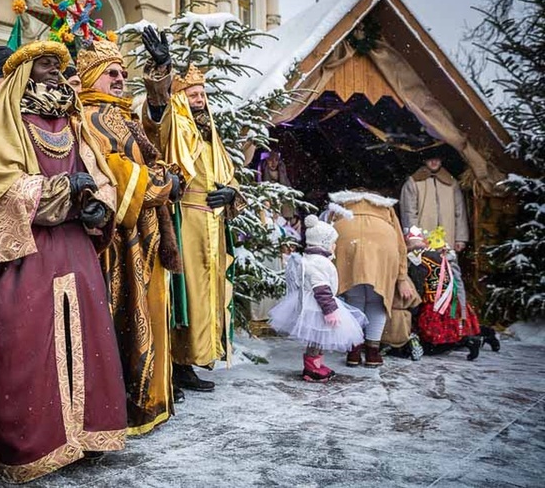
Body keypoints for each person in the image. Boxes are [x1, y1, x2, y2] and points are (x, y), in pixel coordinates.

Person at [0, 40, 126, 483]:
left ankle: (85, 433)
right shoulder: (1, 116)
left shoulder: (70, 118)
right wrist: (60, 189)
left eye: (58, 65)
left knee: (87, 336)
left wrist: (98, 203)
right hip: (24, 250)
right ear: (24, 70)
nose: (54, 71)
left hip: (74, 246)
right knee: (21, 342)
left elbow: (100, 174)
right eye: (46, 63)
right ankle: (34, 442)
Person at [76, 37, 182, 432]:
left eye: (123, 73)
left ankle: (152, 395)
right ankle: (126, 405)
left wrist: (158, 76)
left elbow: (155, 138)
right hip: (120, 240)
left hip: (148, 233)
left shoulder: (125, 115)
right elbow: (117, 172)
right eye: (111, 73)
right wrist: (164, 183)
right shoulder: (86, 117)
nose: (120, 79)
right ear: (90, 77)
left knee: (150, 314)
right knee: (124, 316)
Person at [142, 26, 246, 392]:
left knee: (206, 297)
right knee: (182, 297)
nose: (199, 99)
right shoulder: (176, 123)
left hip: (212, 229)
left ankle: (192, 361)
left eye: (203, 94)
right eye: (193, 94)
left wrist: (231, 195)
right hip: (184, 221)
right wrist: (162, 69)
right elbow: (157, 112)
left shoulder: (212, 134)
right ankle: (174, 364)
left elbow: (230, 177)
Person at [269, 216, 367, 382]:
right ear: (324, 243)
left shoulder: (314, 259)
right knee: (316, 338)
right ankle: (311, 368)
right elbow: (321, 288)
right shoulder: (318, 262)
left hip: (317, 305)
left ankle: (316, 364)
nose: (335, 246)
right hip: (318, 307)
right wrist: (330, 311)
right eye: (333, 242)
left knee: (318, 338)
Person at [328, 190, 414, 368]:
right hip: (381, 243)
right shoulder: (385, 206)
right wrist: (402, 277)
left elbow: (326, 230)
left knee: (354, 298)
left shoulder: (343, 204)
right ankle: (373, 352)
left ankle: (354, 349)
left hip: (346, 240)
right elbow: (400, 245)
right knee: (377, 300)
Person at [405, 226, 484, 360]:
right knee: (449, 331)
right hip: (448, 300)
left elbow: (418, 287)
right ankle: (467, 340)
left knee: (432, 341)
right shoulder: (438, 255)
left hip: (433, 303)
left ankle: (465, 342)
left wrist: (414, 308)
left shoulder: (417, 260)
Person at [400, 155, 470, 252]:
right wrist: (414, 238)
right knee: (425, 264)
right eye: (430, 158)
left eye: (437, 158)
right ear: (424, 160)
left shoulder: (451, 183)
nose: (434, 162)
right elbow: (409, 213)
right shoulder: (414, 182)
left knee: (447, 264)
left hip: (447, 236)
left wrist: (460, 238)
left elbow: (459, 211)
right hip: (423, 238)